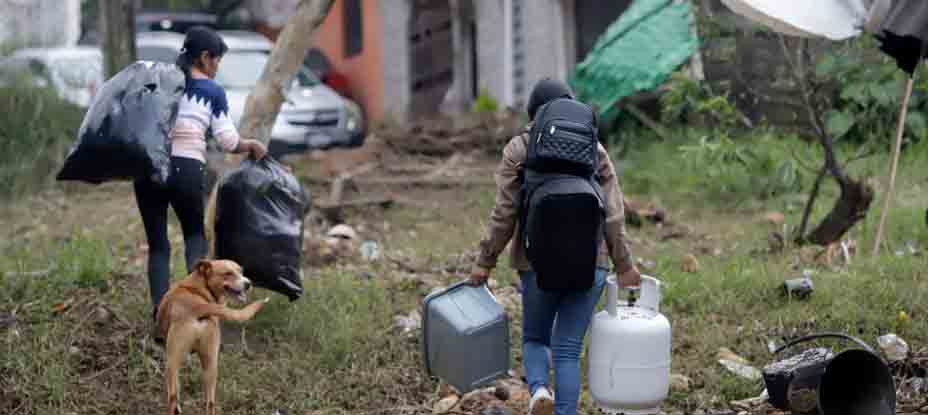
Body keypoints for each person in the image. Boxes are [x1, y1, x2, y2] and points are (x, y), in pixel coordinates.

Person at [471, 79, 640, 415]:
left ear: (534, 113)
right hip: (592, 260)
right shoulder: (595, 149)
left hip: (536, 262)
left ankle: (537, 390)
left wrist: (484, 261)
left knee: (535, 338)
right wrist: (624, 265)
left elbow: (504, 213)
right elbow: (614, 215)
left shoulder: (519, 148)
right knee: (567, 349)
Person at [135, 26, 267, 340]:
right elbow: (226, 140)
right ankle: (198, 313)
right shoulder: (210, 91)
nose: (217, 67)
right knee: (194, 237)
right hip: (185, 169)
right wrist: (250, 144)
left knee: (158, 245)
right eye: (217, 60)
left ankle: (161, 321)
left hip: (148, 168)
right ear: (205, 57)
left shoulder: (159, 82)